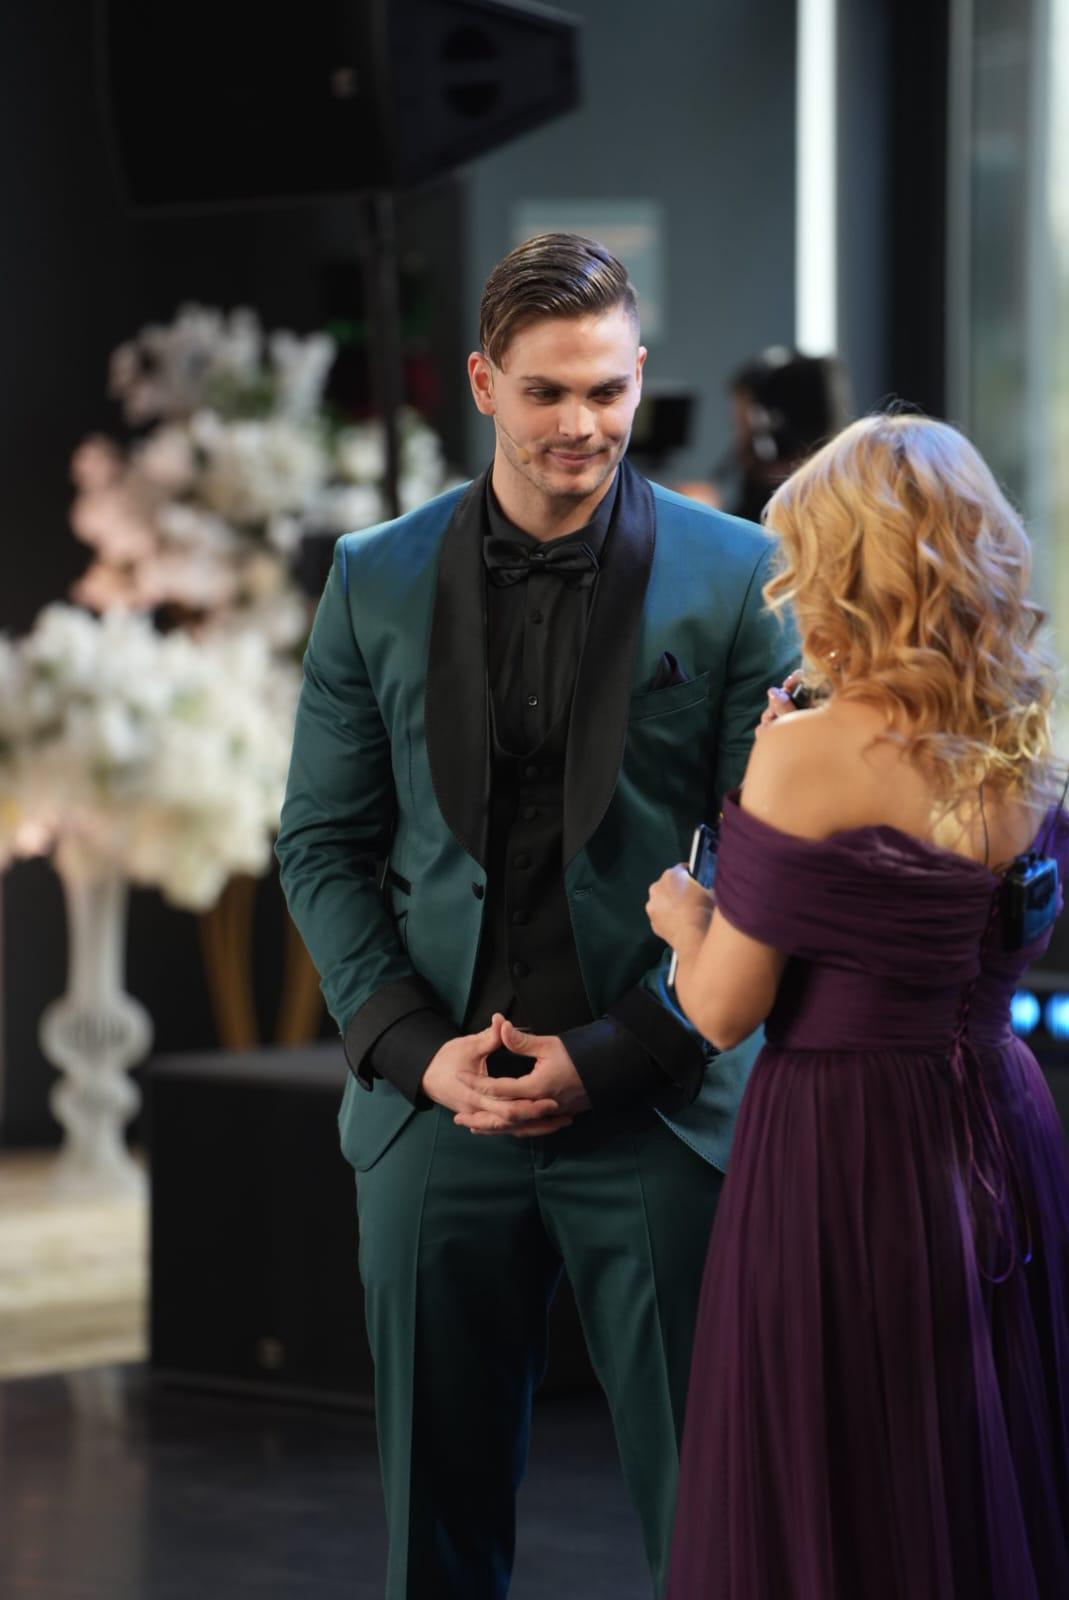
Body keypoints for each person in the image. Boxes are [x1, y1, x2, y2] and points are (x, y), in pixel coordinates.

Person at [275, 232, 798, 1600]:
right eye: (547, 392)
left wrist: (622, 1050)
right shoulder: (373, 576)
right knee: (432, 1540)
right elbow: (321, 843)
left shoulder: (740, 573)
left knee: (716, 1527)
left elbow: (772, 861)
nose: (582, 424)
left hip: (660, 1106)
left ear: (639, 377)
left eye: (608, 391)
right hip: (432, 1112)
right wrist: (410, 1049)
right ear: (482, 384)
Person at [647, 412, 1069, 1599]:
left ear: (842, 572)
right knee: (978, 1456)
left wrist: (687, 915)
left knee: (840, 1468)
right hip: (1000, 1125)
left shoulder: (804, 753)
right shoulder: (1028, 740)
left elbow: (720, 1009)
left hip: (844, 1145)